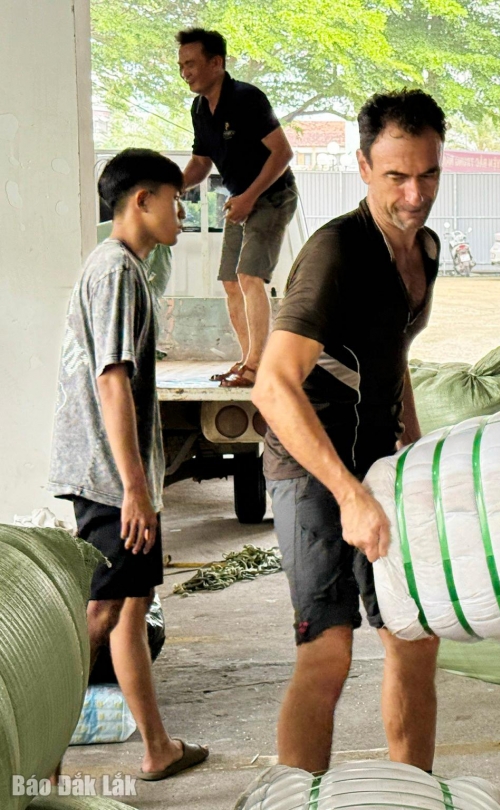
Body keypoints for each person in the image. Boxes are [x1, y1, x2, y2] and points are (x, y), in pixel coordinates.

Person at [252, 89, 445, 773]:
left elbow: (394, 356)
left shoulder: (424, 248)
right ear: (364, 166)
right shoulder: (334, 254)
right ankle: (297, 797)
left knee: (415, 636)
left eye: (428, 173)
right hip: (309, 469)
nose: (415, 193)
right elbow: (272, 385)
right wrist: (347, 493)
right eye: (397, 175)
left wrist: (414, 450)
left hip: (377, 463)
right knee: (329, 650)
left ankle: (412, 791)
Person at [47, 149, 209, 781]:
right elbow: (113, 381)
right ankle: (40, 757)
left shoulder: (123, 268)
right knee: (101, 614)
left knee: (130, 607)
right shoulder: (116, 270)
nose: (182, 210)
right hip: (109, 476)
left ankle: (156, 747)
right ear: (141, 199)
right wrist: (135, 490)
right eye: (176, 198)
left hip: (111, 472)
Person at [177, 27, 297, 388]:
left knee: (249, 277)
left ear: (217, 62)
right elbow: (201, 163)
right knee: (230, 281)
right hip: (240, 200)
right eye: (181, 65)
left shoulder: (247, 98)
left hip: (272, 196)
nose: (185, 72)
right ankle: (247, 360)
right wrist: (173, 188)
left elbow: (283, 153)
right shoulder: (199, 108)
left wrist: (249, 197)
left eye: (192, 64)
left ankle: (259, 365)